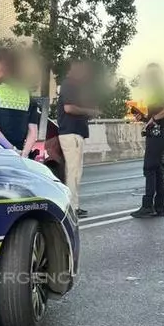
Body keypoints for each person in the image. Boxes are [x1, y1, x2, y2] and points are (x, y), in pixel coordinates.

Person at [58, 59, 100, 218]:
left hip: (74, 133)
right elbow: (69, 108)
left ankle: (74, 206)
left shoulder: (73, 86)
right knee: (74, 172)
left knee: (75, 172)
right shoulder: (69, 84)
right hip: (72, 133)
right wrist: (89, 111)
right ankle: (71, 208)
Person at [130, 63, 164, 218]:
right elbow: (154, 118)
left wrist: (154, 118)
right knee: (156, 171)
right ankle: (159, 208)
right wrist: (143, 118)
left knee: (149, 168)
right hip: (155, 134)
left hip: (158, 135)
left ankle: (148, 206)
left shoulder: (162, 89)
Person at [0, 47, 39, 156]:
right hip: (21, 154)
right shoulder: (27, 94)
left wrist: (12, 150)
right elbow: (33, 132)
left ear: (1, 66)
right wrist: (24, 154)